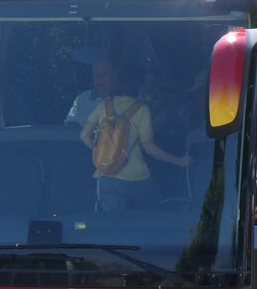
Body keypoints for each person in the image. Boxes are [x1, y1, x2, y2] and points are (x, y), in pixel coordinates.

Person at [79, 81, 190, 211]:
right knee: (155, 205)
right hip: (135, 178)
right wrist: (179, 161)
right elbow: (149, 149)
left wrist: (102, 151)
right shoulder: (141, 110)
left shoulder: (103, 106)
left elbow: (84, 136)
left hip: (105, 176)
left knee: (112, 221)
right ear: (137, 89)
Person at [65, 57, 116, 132]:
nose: (100, 78)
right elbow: (70, 126)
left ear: (114, 75)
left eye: (104, 74)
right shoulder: (82, 99)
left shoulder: (127, 102)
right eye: (96, 75)